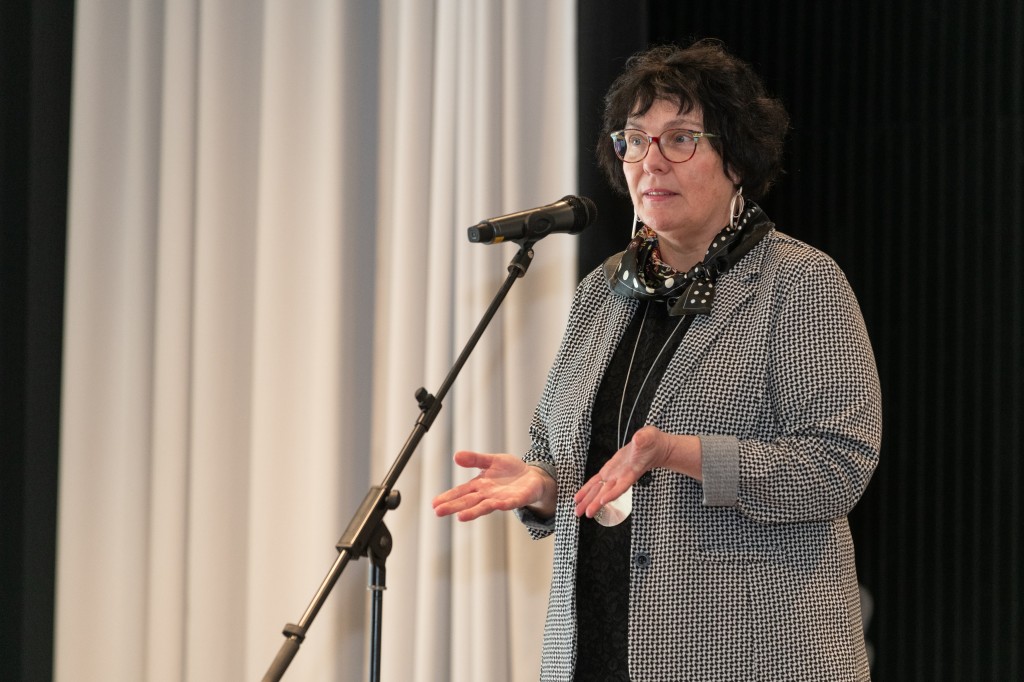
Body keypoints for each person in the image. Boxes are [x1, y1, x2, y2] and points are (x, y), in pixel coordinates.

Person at [433, 38, 881, 681]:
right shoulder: (602, 293)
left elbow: (838, 465)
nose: (651, 161)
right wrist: (543, 486)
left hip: (750, 654)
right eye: (636, 140)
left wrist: (679, 453)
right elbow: (559, 449)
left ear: (737, 158)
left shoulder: (798, 284)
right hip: (597, 651)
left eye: (680, 139)